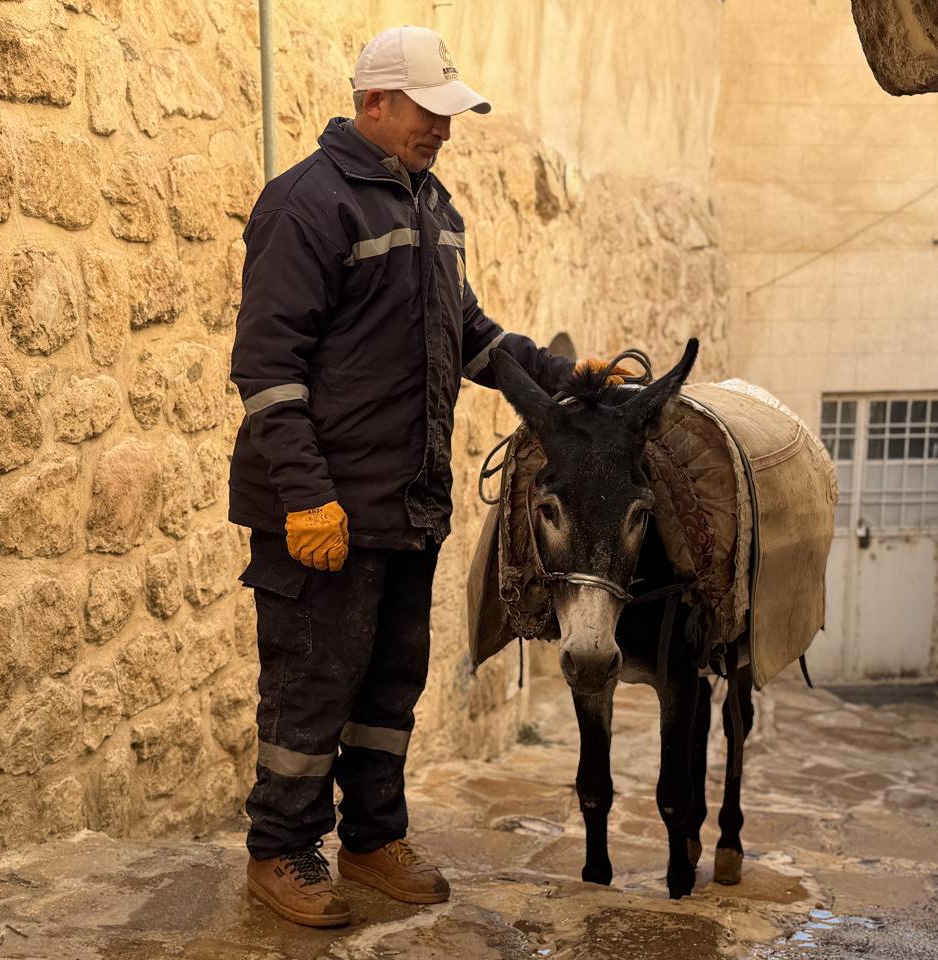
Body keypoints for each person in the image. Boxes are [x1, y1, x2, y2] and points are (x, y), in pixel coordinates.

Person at [229, 25, 623, 927]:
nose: (443, 129)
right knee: (311, 685)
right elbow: (267, 368)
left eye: (450, 114)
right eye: (428, 112)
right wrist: (304, 495)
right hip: (322, 510)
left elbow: (473, 337)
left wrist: (567, 380)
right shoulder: (307, 204)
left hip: (406, 506)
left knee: (387, 686)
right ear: (374, 103)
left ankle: (371, 837)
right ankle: (281, 851)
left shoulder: (433, 209)